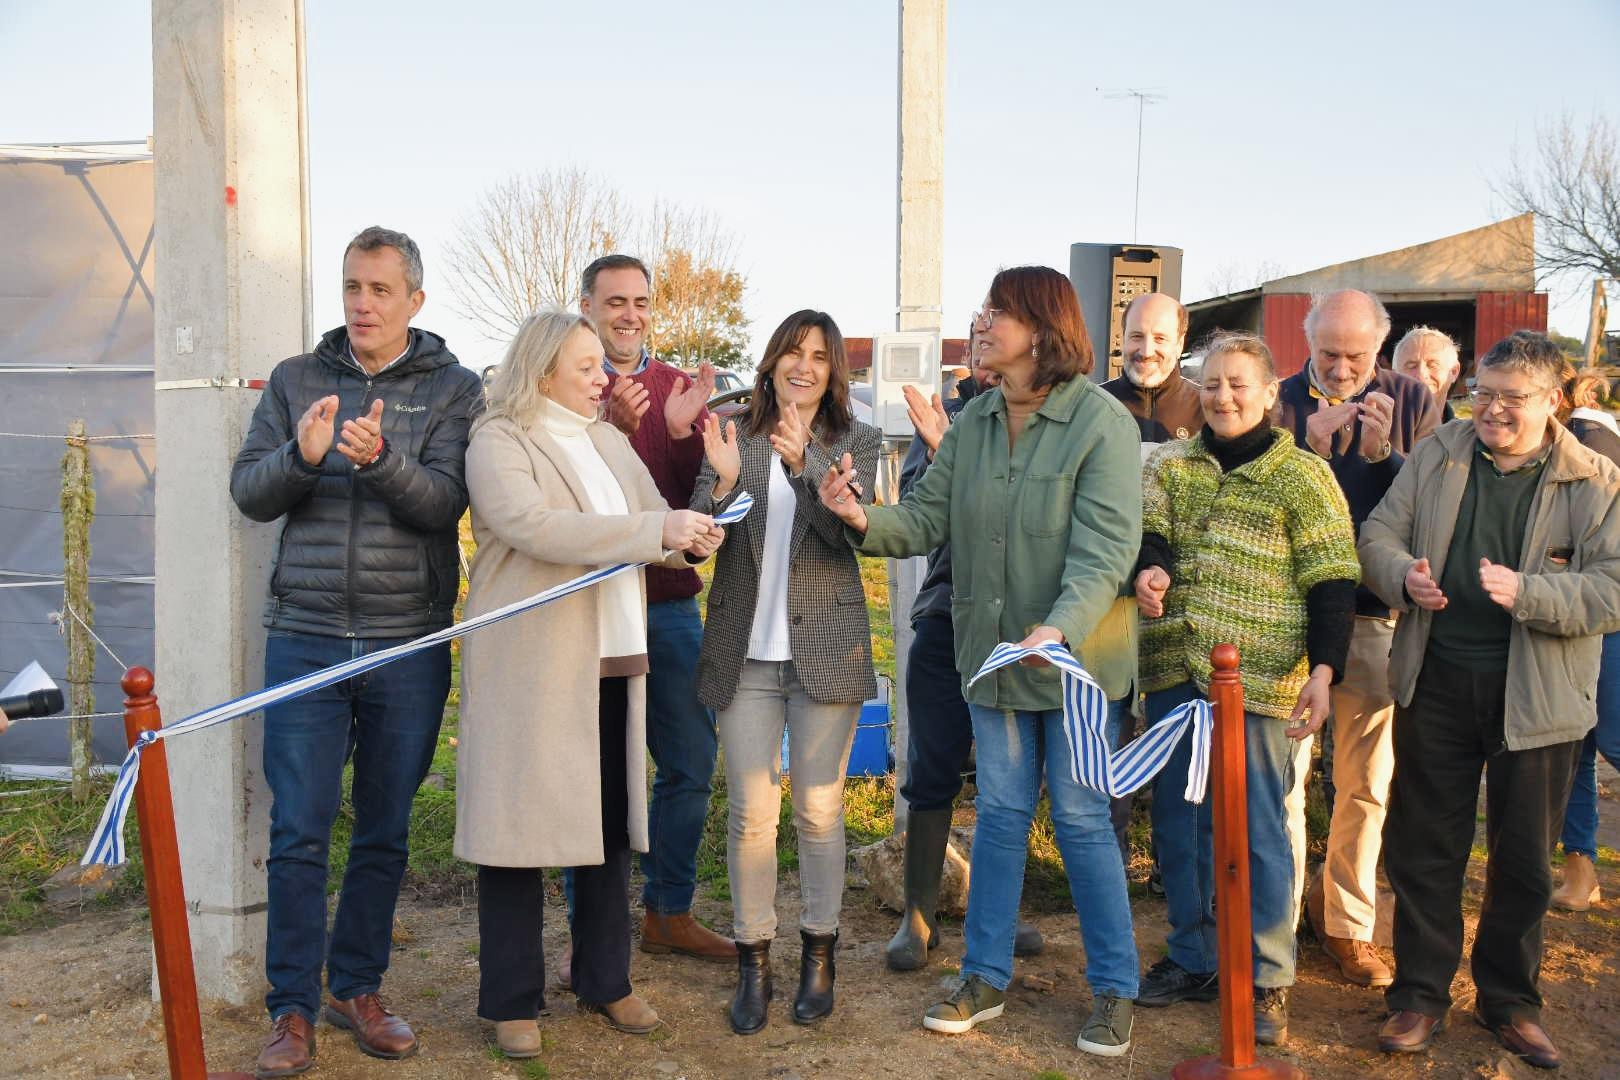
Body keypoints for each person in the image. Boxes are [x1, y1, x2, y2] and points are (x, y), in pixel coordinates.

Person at [819, 266, 1143, 1058]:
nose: (982, 322)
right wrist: (862, 516)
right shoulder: (973, 421)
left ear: (1043, 327)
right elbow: (929, 519)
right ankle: (985, 975)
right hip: (992, 660)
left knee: (1079, 819)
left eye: (999, 312)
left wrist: (1058, 628)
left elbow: (1106, 551)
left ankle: (1114, 989)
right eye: (984, 310)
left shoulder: (1102, 423)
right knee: (997, 818)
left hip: (1078, 668)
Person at [230, 226, 485, 1077]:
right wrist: (302, 459)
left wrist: (378, 462)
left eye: (379, 290)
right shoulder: (297, 379)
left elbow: (446, 502)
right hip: (303, 639)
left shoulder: (454, 389)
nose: (361, 304)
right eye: (351, 287)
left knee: (383, 829)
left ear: (415, 299)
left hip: (406, 641)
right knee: (299, 830)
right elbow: (250, 492)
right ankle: (292, 1009)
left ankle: (358, 987)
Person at [455, 310, 725, 1057]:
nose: (602, 378)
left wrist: (690, 535)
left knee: (606, 828)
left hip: (612, 657)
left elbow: (651, 521)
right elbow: (531, 525)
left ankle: (606, 981)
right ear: (542, 371)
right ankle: (512, 1001)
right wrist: (656, 534)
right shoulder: (499, 439)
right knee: (515, 831)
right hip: (532, 665)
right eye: (585, 367)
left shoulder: (608, 440)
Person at [1360, 331, 1620, 1070]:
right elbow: (1378, 532)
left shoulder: (1596, 481)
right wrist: (1401, 576)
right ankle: (1418, 995)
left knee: (1525, 862)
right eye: (1485, 393)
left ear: (1553, 401)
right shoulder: (1441, 451)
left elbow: (1614, 588)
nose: (1493, 411)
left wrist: (1531, 593)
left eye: (1513, 398)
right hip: (1436, 680)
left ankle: (1510, 1002)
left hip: (1539, 699)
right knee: (1424, 849)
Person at [1133, 331, 1359, 1047]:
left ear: (1269, 394)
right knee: (1180, 823)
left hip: (1261, 685)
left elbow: (1332, 580)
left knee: (1260, 830)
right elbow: (1149, 536)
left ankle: (1268, 976)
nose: (1223, 396)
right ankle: (1197, 955)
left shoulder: (1303, 477)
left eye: (1239, 384)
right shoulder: (1170, 465)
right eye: (1212, 384)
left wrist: (1324, 673)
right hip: (1176, 672)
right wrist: (1151, 571)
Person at [690, 309, 881, 1035]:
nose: (804, 366)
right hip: (745, 651)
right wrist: (722, 485)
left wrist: (805, 465)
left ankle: (820, 955)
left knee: (819, 812)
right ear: (771, 361)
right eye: (792, 353)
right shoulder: (733, 433)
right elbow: (699, 539)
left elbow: (849, 536)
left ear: (834, 372)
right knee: (750, 816)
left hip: (825, 650)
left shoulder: (854, 438)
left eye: (820, 357)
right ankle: (754, 962)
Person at [570, 254, 735, 969]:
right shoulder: (563, 383)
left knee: (691, 762)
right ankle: (591, 934)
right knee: (596, 774)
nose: (630, 315)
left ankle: (668, 910)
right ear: (586, 306)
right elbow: (563, 494)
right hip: (592, 610)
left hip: (666, 609)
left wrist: (678, 439)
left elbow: (696, 513)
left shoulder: (677, 388)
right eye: (615, 302)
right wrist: (605, 421)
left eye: (640, 302)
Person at [1274, 289, 1441, 989]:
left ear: (1381, 349)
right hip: (1290, 614)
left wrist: (1387, 457)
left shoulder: (1414, 400)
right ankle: (1273, 919)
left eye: (1357, 356)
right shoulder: (1278, 401)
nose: (1342, 370)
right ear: (1307, 344)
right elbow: (1253, 495)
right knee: (1282, 778)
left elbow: (1437, 505)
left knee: (1367, 782)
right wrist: (1305, 451)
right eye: (1328, 354)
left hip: (1374, 614)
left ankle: (1346, 923)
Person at [884, 326, 1046, 970]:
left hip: (1026, 626)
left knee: (1011, 776)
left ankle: (998, 914)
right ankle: (917, 916)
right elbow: (925, 518)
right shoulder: (949, 417)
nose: (982, 345)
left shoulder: (1056, 420)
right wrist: (947, 450)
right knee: (933, 766)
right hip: (950, 617)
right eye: (975, 333)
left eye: (993, 330)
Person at [1549, 370, 1620, 911]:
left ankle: (1581, 874)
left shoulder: (1589, 446)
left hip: (1605, 619)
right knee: (1577, 746)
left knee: (1608, 740)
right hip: (1576, 614)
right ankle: (1579, 874)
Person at [1100, 292, 1201, 446]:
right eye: (1137, 336)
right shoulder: (1093, 406)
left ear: (1179, 344)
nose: (1146, 352)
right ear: (1123, 339)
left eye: (1160, 338)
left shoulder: (1206, 408)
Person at [1392, 326, 1462, 421]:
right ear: (1394, 375)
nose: (1421, 375)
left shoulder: (1468, 435)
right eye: (1411, 366)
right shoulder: (1375, 432)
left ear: (1454, 371)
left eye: (1433, 365)